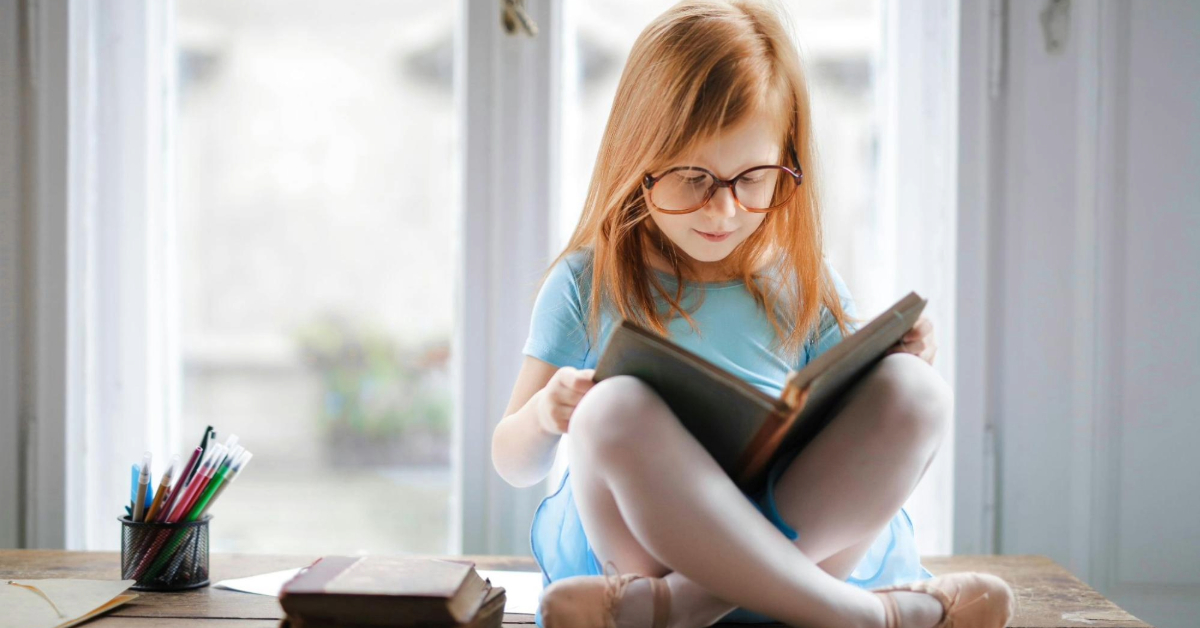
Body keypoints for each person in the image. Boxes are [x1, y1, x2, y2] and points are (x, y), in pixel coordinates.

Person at [490, 2, 1015, 627]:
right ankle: (869, 618)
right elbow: (512, 462)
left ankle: (682, 607)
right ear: (638, 163)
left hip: (775, 553)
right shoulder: (589, 281)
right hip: (646, 554)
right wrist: (549, 412)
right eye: (692, 178)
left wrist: (896, 361)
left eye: (754, 178)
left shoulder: (805, 281)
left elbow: (855, 424)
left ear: (787, 162)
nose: (723, 212)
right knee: (610, 410)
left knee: (919, 392)